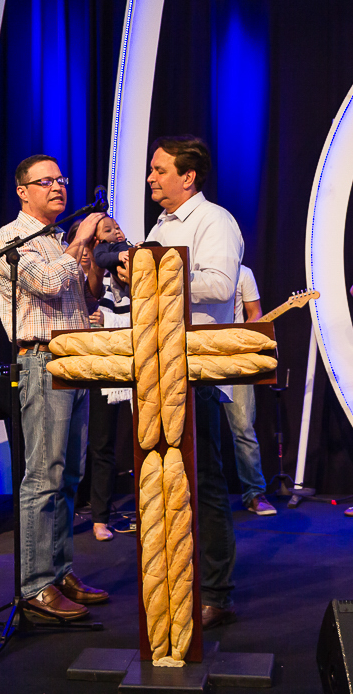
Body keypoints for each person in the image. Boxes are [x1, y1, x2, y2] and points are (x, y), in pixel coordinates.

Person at [0, 155, 108, 621]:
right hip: (41, 359)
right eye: (47, 181)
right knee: (44, 474)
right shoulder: (11, 239)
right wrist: (81, 239)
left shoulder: (59, 239)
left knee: (70, 475)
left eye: (62, 179)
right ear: (23, 191)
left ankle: (60, 570)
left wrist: (92, 261)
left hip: (78, 358)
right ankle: (36, 583)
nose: (59, 187)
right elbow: (49, 284)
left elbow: (86, 294)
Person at [134, 134, 243, 630]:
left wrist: (155, 271)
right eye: (152, 170)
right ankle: (177, 584)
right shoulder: (162, 224)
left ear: (188, 176)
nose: (152, 177)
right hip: (160, 370)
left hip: (196, 371)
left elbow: (220, 284)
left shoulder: (213, 220)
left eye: (160, 169)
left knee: (208, 486)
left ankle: (216, 593)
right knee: (166, 487)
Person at [88, 214, 133, 541]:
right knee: (102, 442)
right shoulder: (97, 272)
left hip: (137, 356)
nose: (116, 231)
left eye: (117, 226)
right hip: (106, 360)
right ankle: (99, 517)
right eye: (108, 230)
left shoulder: (133, 262)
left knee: (144, 437)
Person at [224, 266, 275, 516]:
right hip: (197, 356)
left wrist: (239, 338)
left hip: (236, 361)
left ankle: (255, 493)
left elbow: (255, 314)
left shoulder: (243, 273)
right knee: (194, 430)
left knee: (243, 428)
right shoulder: (192, 272)